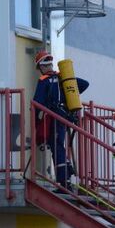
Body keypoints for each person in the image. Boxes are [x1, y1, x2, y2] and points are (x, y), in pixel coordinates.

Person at [33, 50, 89, 190]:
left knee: (56, 146)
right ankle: (67, 173)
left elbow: (37, 104)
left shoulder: (44, 81)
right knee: (60, 145)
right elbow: (84, 84)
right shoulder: (63, 78)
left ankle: (64, 181)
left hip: (54, 118)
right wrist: (70, 93)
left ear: (42, 66)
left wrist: (36, 124)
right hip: (66, 117)